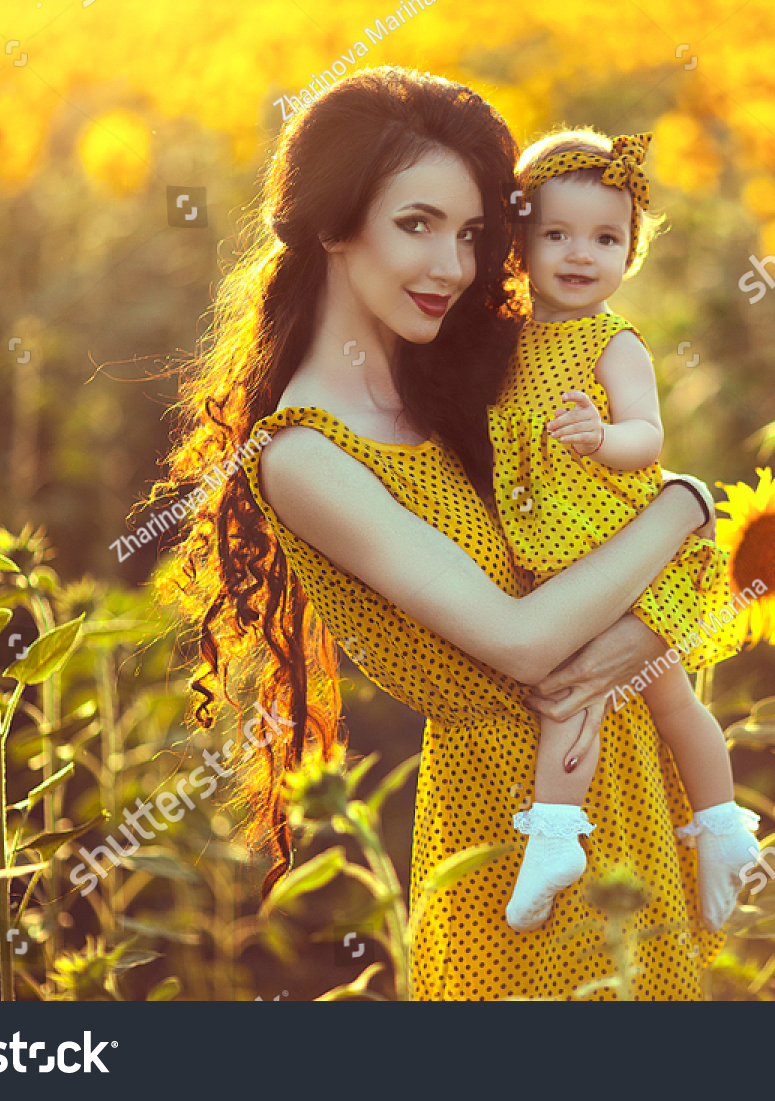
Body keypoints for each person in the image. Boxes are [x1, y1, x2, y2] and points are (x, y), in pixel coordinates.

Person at [155, 66, 728, 1000]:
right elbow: (524, 642)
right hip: (509, 832)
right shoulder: (304, 454)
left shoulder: (463, 368)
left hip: (616, 778)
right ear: (335, 222)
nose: (453, 269)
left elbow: (603, 521)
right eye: (415, 225)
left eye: (470, 235)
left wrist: (648, 610)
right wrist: (692, 507)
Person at [491, 128, 761, 935]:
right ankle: (713, 835)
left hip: (621, 548)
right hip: (554, 557)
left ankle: (674, 826)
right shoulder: (511, 341)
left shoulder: (615, 342)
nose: (582, 255)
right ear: (521, 245)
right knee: (597, 689)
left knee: (650, 697)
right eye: (558, 235)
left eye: (606, 239)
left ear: (631, 252)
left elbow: (649, 437)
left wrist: (601, 439)